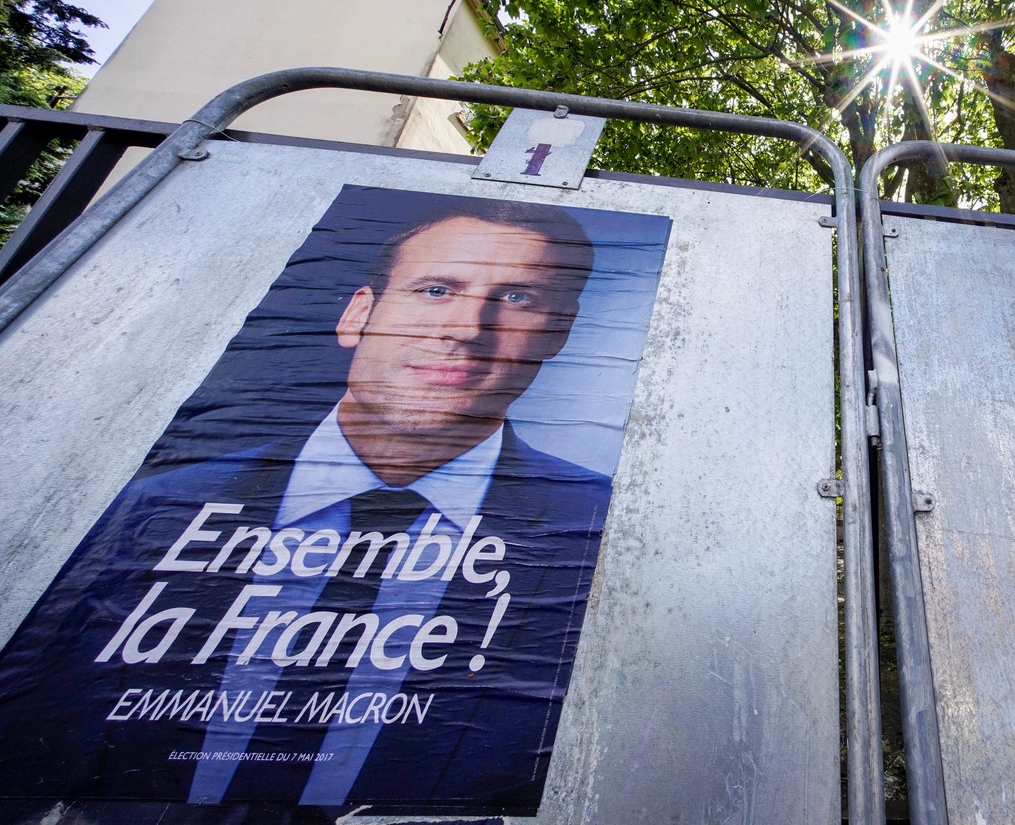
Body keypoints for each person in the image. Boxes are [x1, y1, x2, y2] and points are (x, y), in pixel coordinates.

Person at [0, 197, 610, 811]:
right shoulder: (151, 503)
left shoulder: (604, 534)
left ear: (557, 333)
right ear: (358, 316)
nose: (464, 327)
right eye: (435, 290)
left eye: (515, 299)